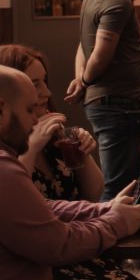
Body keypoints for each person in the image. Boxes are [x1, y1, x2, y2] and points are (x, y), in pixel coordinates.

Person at [0, 65, 140, 280]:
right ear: (1, 111)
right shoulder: (4, 170)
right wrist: (115, 222)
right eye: (29, 110)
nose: (35, 120)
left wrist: (105, 209)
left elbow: (41, 207)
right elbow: (58, 245)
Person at [66, 0, 140, 201]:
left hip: (111, 103)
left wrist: (81, 78)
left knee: (122, 186)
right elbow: (100, 55)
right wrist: (84, 80)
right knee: (119, 190)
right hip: (117, 104)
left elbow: (83, 45)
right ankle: (104, 230)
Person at [0, 44, 104, 202]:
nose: (47, 92)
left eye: (45, 81)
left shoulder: (53, 132)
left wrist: (83, 154)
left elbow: (95, 195)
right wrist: (32, 147)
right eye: (35, 85)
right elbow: (15, 202)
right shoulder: (6, 149)